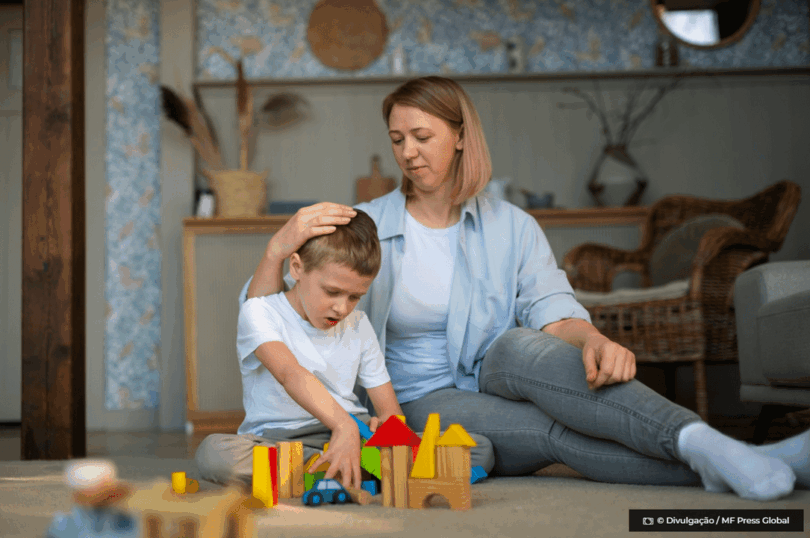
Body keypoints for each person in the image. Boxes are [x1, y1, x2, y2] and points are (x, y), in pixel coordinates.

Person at [240, 76, 808, 501]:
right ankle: (734, 457)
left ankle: (710, 445)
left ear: (460, 137)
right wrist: (276, 247)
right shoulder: (365, 224)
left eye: (422, 136)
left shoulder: (511, 226)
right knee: (552, 431)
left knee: (521, 343)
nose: (408, 152)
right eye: (397, 139)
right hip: (416, 398)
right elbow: (268, 310)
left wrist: (592, 340)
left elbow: (551, 309)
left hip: (498, 370)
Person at [195, 209, 492, 489]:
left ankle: (332, 470)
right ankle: (349, 469)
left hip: (355, 433)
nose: (342, 307)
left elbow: (390, 412)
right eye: (332, 292)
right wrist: (342, 426)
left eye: (354, 297)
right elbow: (290, 374)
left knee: (479, 449)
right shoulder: (260, 312)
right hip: (281, 440)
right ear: (297, 268)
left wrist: (388, 431)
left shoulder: (358, 324)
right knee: (214, 453)